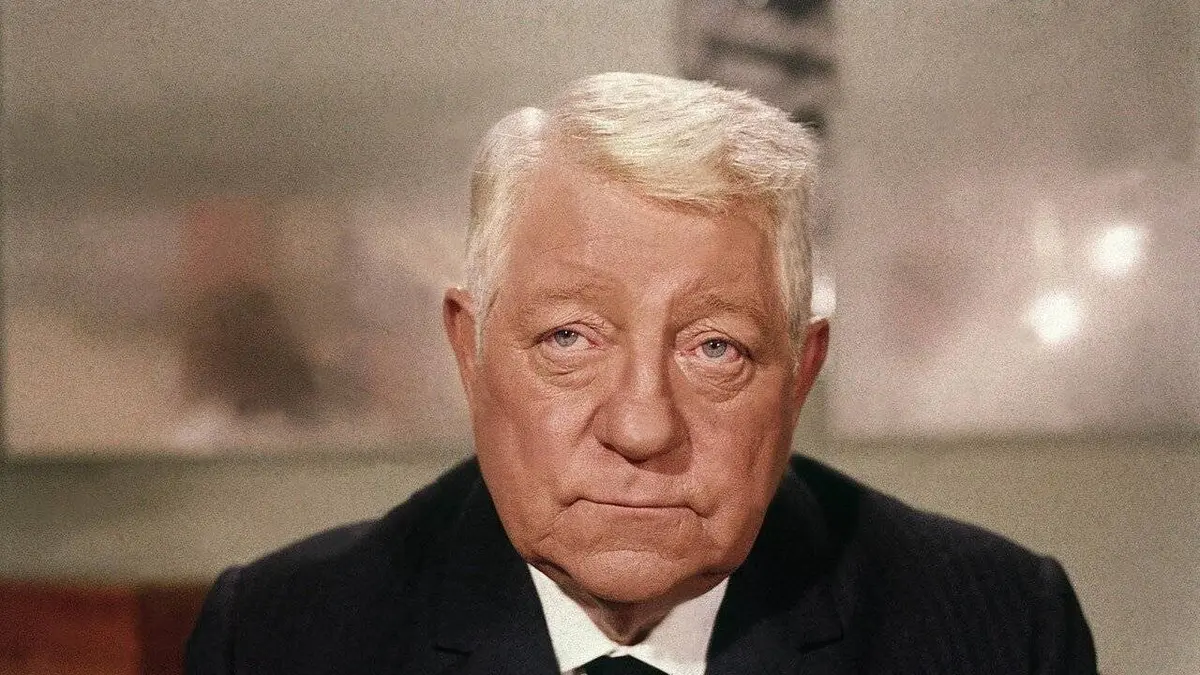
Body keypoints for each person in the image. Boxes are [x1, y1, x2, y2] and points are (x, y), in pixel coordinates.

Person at [186, 72, 1097, 675]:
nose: (642, 425)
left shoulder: (999, 631)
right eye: (569, 338)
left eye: (716, 348)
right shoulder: (277, 639)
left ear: (799, 374)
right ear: (472, 350)